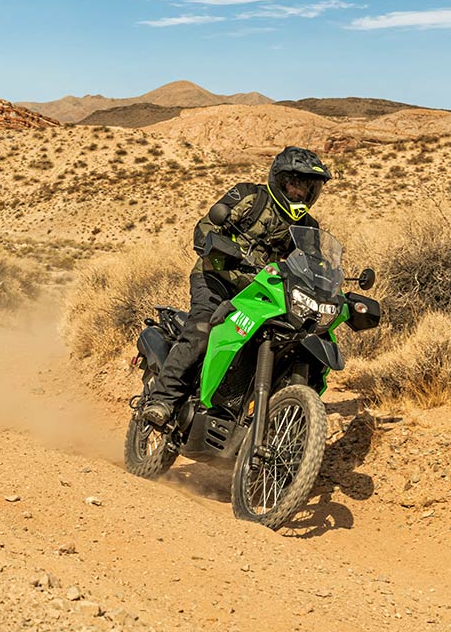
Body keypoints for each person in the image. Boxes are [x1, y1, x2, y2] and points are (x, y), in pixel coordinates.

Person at [140, 146, 332, 427]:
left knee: (290, 340)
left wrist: (328, 285)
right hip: (218, 278)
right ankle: (163, 399)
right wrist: (219, 247)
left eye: (308, 187)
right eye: (294, 183)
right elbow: (205, 228)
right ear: (280, 180)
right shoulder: (249, 196)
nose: (299, 193)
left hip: (261, 293)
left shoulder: (308, 227)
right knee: (202, 330)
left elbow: (316, 266)